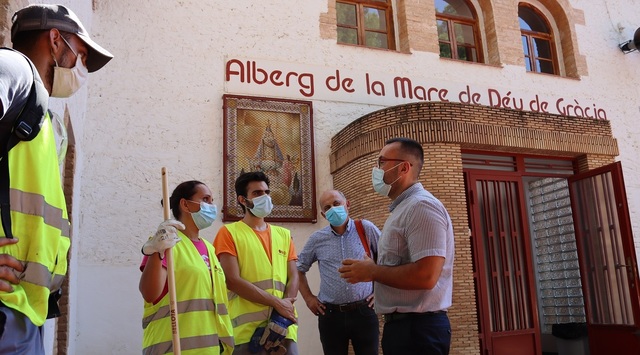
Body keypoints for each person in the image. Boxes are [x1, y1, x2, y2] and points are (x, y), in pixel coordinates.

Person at [0, 4, 113, 354]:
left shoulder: (46, 121)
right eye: (80, 55)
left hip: (23, 311)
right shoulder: (14, 69)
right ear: (55, 40)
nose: (82, 69)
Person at [338, 137, 455, 355]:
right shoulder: (403, 209)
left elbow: (426, 276)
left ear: (403, 168)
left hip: (419, 332)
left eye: (382, 162)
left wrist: (373, 271)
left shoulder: (422, 207)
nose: (377, 169)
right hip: (405, 330)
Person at [139, 180, 234, 354]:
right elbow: (149, 293)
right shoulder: (164, 243)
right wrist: (157, 252)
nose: (212, 206)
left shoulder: (209, 249)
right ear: (185, 204)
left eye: (212, 200)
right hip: (171, 349)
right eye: (205, 199)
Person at [214, 171, 299, 355]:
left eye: (267, 192)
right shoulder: (228, 233)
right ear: (243, 200)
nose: (265, 197)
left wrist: (283, 309)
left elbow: (293, 276)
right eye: (257, 193)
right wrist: (278, 303)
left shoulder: (283, 235)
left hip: (283, 329)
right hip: (246, 334)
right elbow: (232, 280)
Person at [297, 189, 381, 355]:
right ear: (323, 214)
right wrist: (308, 299)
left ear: (347, 204)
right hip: (330, 315)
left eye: (336, 203)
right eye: (327, 207)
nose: (333, 209)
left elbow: (386, 261)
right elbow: (298, 268)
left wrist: (379, 292)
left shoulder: (366, 229)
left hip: (364, 311)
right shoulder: (317, 239)